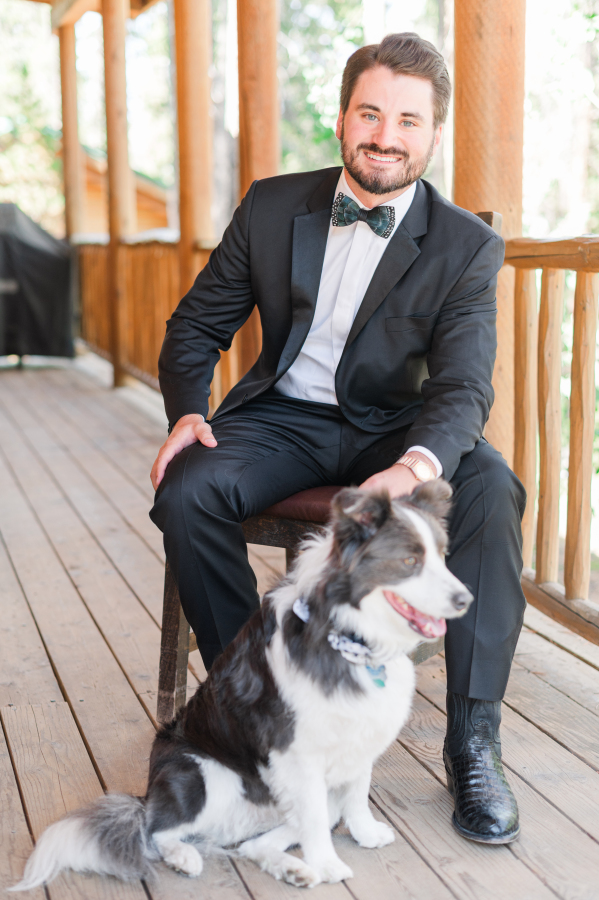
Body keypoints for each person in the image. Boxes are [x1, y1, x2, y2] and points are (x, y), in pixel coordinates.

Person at [150, 32, 526, 845]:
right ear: (340, 120)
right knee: (188, 486)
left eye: (407, 120)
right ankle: (249, 706)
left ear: (431, 134)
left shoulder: (467, 245)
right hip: (283, 415)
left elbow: (462, 386)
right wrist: (187, 408)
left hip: (398, 429)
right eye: (369, 113)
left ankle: (473, 741)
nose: (385, 135)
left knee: (491, 489)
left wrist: (413, 465)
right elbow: (194, 329)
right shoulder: (272, 204)